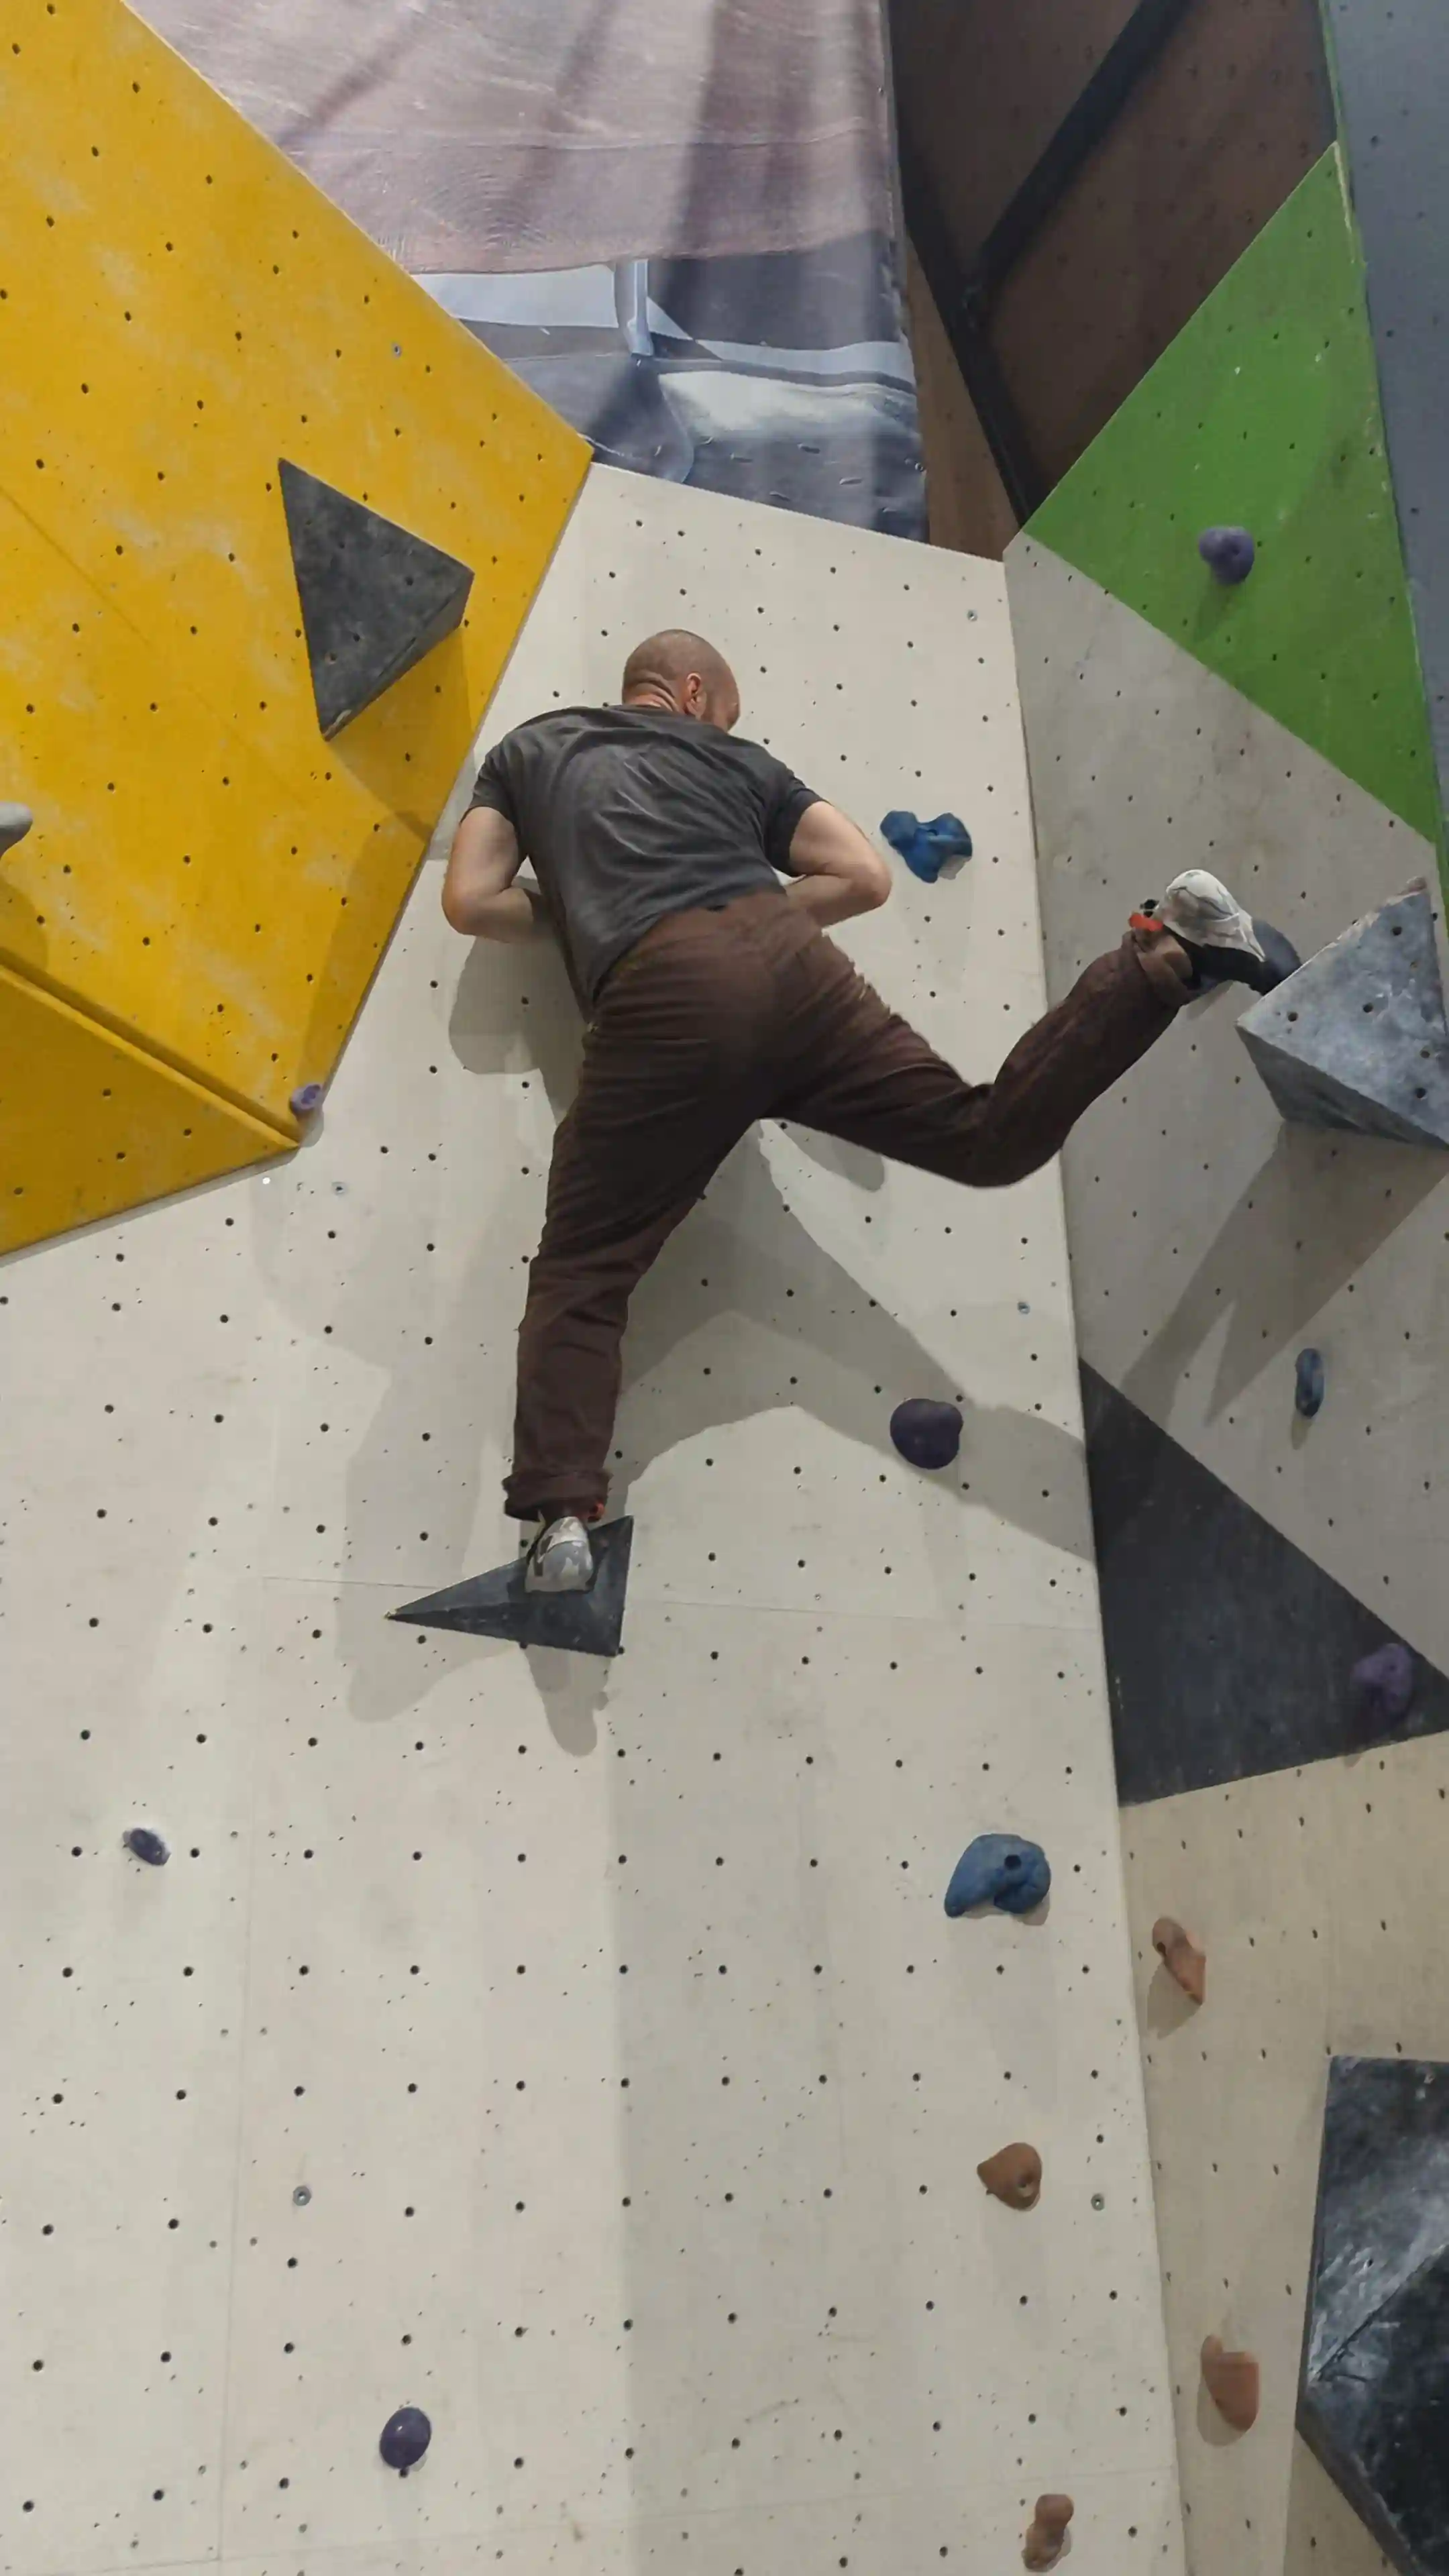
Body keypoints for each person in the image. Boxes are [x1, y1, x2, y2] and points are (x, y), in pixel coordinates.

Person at [442, 629, 1294, 1594]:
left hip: (658, 994)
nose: (723, 724)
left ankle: (560, 1516)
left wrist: (592, 909)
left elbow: (469, 902)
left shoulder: (528, 751)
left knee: (585, 1271)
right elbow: (866, 876)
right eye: (725, 708)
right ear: (689, 691)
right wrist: (740, 919)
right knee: (982, 1136)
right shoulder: (739, 761)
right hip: (789, 964)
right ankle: (1167, 952)